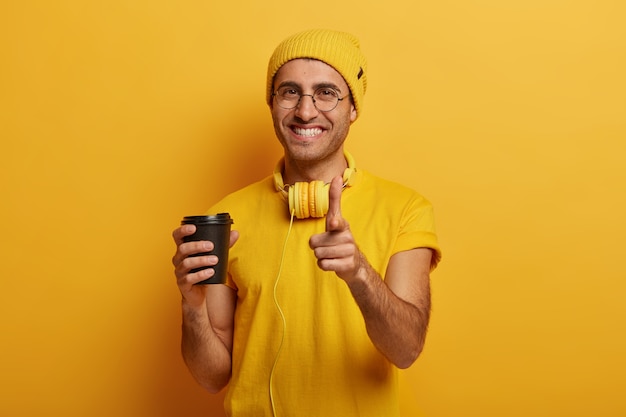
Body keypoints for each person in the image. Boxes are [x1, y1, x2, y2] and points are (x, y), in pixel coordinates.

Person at [171, 29, 442, 417]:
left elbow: (406, 349)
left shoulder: (406, 209)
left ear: (353, 108)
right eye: (290, 91)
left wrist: (359, 273)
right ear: (272, 103)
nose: (306, 111)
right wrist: (192, 305)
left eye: (327, 92)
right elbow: (212, 377)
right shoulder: (227, 217)